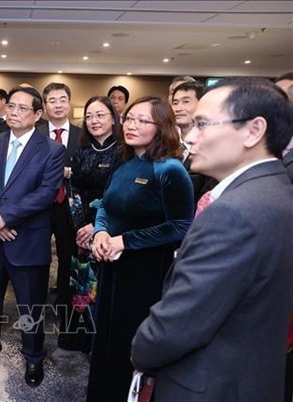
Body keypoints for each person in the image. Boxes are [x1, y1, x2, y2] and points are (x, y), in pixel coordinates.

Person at [132, 77, 293, 402]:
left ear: (253, 130)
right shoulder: (276, 189)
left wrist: (140, 351)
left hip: (209, 384)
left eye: (202, 124)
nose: (190, 137)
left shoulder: (234, 212)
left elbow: (177, 325)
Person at [87, 96, 194, 402]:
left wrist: (125, 241)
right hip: (112, 267)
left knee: (130, 342)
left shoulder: (170, 170)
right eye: (129, 118)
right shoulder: (125, 163)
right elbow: (106, 206)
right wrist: (101, 233)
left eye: (142, 120)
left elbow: (180, 226)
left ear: (161, 127)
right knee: (106, 338)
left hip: (145, 272)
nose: (131, 125)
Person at [0, 86, 65, 387]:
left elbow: (47, 194)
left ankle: (33, 356)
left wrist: (6, 216)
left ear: (38, 114)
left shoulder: (51, 149)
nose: (14, 112)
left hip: (27, 242)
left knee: (30, 306)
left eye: (23, 108)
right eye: (11, 106)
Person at [65, 96, 121, 352]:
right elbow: (72, 189)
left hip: (108, 228)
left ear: (112, 118)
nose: (94, 121)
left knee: (104, 286)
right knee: (82, 284)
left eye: (100, 115)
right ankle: (81, 337)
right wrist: (80, 226)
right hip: (81, 231)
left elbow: (117, 193)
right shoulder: (81, 151)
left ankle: (101, 341)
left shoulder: (123, 151)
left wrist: (95, 227)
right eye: (89, 116)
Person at [38, 82, 81, 312]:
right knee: (39, 253)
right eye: (52, 100)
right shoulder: (36, 134)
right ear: (44, 106)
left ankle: (64, 299)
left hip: (69, 203)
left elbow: (87, 170)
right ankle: (37, 296)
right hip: (41, 204)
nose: (58, 105)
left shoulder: (81, 135)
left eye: (62, 99)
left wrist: (69, 172)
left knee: (68, 253)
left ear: (69, 103)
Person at [172, 81, 217, 204]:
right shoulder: (166, 145)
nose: (178, 108)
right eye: (175, 103)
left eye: (186, 102)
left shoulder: (210, 149)